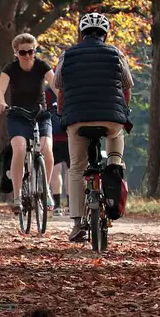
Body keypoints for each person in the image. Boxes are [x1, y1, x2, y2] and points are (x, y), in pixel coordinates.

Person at [54, 13, 133, 243]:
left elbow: (60, 88)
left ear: (82, 33)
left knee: (77, 168)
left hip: (77, 118)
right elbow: (127, 87)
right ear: (105, 34)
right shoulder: (116, 54)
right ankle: (113, 174)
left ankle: (78, 223)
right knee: (115, 148)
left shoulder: (67, 55)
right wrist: (123, 111)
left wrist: (62, 113)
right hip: (111, 119)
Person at [0, 33, 56, 214]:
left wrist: (62, 100)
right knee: (20, 148)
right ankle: (17, 196)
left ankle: (45, 190)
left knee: (47, 150)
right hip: (18, 115)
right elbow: (0, 90)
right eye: (23, 52)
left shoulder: (42, 66)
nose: (28, 56)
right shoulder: (10, 69)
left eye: (31, 51)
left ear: (35, 50)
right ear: (16, 53)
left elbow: (55, 85)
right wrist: (1, 102)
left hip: (41, 114)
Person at [45, 85, 69, 216]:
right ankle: (71, 205)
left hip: (54, 135)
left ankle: (57, 206)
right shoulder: (72, 87)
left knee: (56, 170)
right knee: (72, 171)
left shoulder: (49, 91)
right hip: (71, 133)